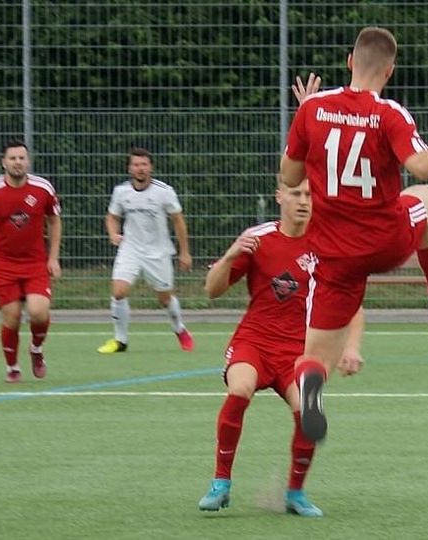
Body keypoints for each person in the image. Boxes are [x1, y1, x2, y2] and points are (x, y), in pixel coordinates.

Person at [279, 27, 428, 442]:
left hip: (333, 255)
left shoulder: (312, 109)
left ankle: (311, 382)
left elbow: (290, 176)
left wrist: (304, 122)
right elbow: (422, 167)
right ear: (389, 71)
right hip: (384, 241)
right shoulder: (389, 114)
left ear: (350, 61)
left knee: (314, 357)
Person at [197, 77, 364, 518]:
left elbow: (352, 302)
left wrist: (352, 346)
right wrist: (231, 253)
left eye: (310, 193)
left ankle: (294, 493)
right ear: (279, 196)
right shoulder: (258, 239)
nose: (304, 200)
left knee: (309, 409)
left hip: (299, 351)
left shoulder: (328, 245)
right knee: (240, 390)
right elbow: (211, 290)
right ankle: (221, 482)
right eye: (296, 193)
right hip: (255, 342)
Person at [0, 139, 62, 383]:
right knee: (11, 316)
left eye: (22, 158)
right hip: (3, 263)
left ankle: (36, 349)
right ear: (3, 162)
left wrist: (53, 258)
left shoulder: (43, 188)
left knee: (38, 312)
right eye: (12, 158)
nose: (17, 162)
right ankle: (12, 367)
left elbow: (54, 221)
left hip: (35, 263)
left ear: (28, 161)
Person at [97, 147, 194, 354]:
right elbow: (112, 216)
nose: (140, 168)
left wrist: (184, 252)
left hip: (158, 252)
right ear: (129, 168)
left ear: (151, 167)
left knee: (165, 299)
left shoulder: (164, 192)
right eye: (136, 164)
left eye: (144, 164)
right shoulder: (121, 191)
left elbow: (178, 221)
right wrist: (113, 234)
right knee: (118, 292)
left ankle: (179, 329)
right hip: (130, 249)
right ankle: (120, 340)